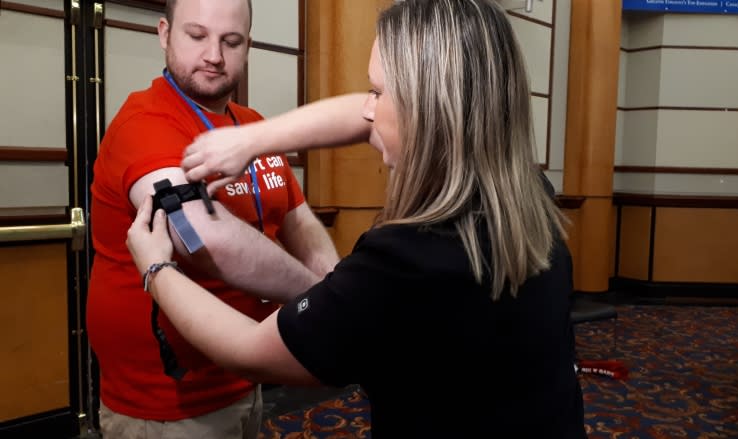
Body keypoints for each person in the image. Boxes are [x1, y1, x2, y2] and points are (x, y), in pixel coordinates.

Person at [127, 0, 586, 437]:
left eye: (377, 92)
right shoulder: (528, 190)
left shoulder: (409, 258)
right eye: (197, 36)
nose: (365, 111)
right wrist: (253, 141)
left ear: (426, 110)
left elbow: (248, 346)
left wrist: (155, 267)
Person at [86, 0, 339, 437]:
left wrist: (338, 289)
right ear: (165, 34)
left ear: (248, 46)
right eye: (197, 36)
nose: (214, 55)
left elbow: (299, 221)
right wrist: (324, 297)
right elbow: (202, 238)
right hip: (166, 401)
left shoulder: (250, 126)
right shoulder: (144, 122)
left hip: (245, 371)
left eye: (231, 41)